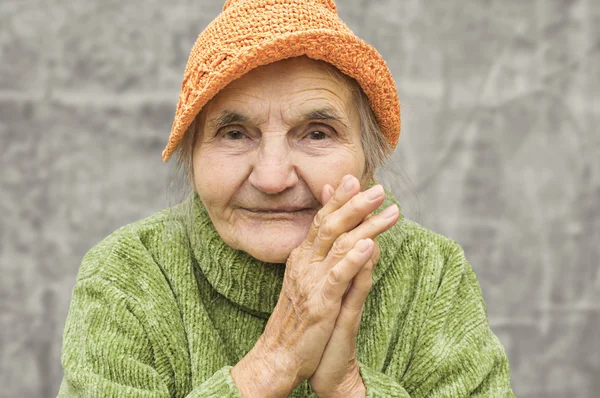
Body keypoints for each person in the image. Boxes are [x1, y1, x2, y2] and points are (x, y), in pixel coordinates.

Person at [59, 0, 515, 396]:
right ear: (192, 158)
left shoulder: (431, 275)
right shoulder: (126, 274)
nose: (273, 178)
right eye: (234, 133)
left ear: (367, 161)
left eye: (317, 133)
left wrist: (349, 388)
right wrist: (270, 365)